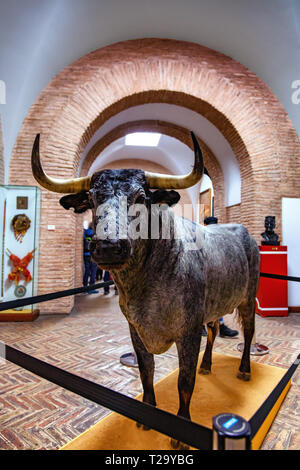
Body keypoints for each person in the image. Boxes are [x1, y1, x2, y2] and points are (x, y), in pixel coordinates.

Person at [203, 216, 239, 338]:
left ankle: (221, 326)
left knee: (217, 302)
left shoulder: (221, 239)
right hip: (203, 278)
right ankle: (200, 326)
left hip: (218, 277)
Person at [83, 223, 99, 294]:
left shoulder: (85, 232)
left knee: (86, 271)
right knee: (93, 271)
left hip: (85, 254)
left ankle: (85, 288)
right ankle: (91, 288)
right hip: (93, 255)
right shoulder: (95, 233)